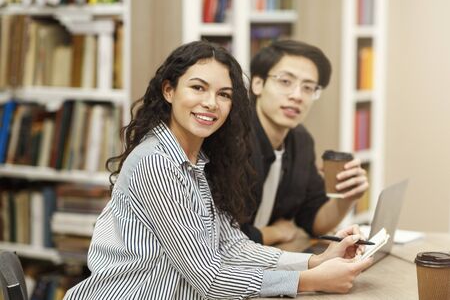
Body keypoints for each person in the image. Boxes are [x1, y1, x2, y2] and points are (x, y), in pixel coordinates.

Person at [63, 41, 372, 299]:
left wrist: (314, 262)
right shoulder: (156, 161)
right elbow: (209, 279)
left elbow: (233, 245)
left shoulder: (200, 161)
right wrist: (309, 281)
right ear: (169, 91)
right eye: (198, 88)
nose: (211, 103)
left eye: (224, 94)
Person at [241, 40, 370, 246]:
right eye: (285, 82)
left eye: (308, 87)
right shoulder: (233, 139)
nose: (297, 96)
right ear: (257, 83)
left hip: (269, 259)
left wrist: (346, 198)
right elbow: (219, 236)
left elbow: (314, 219)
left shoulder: (301, 141)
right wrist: (274, 232)